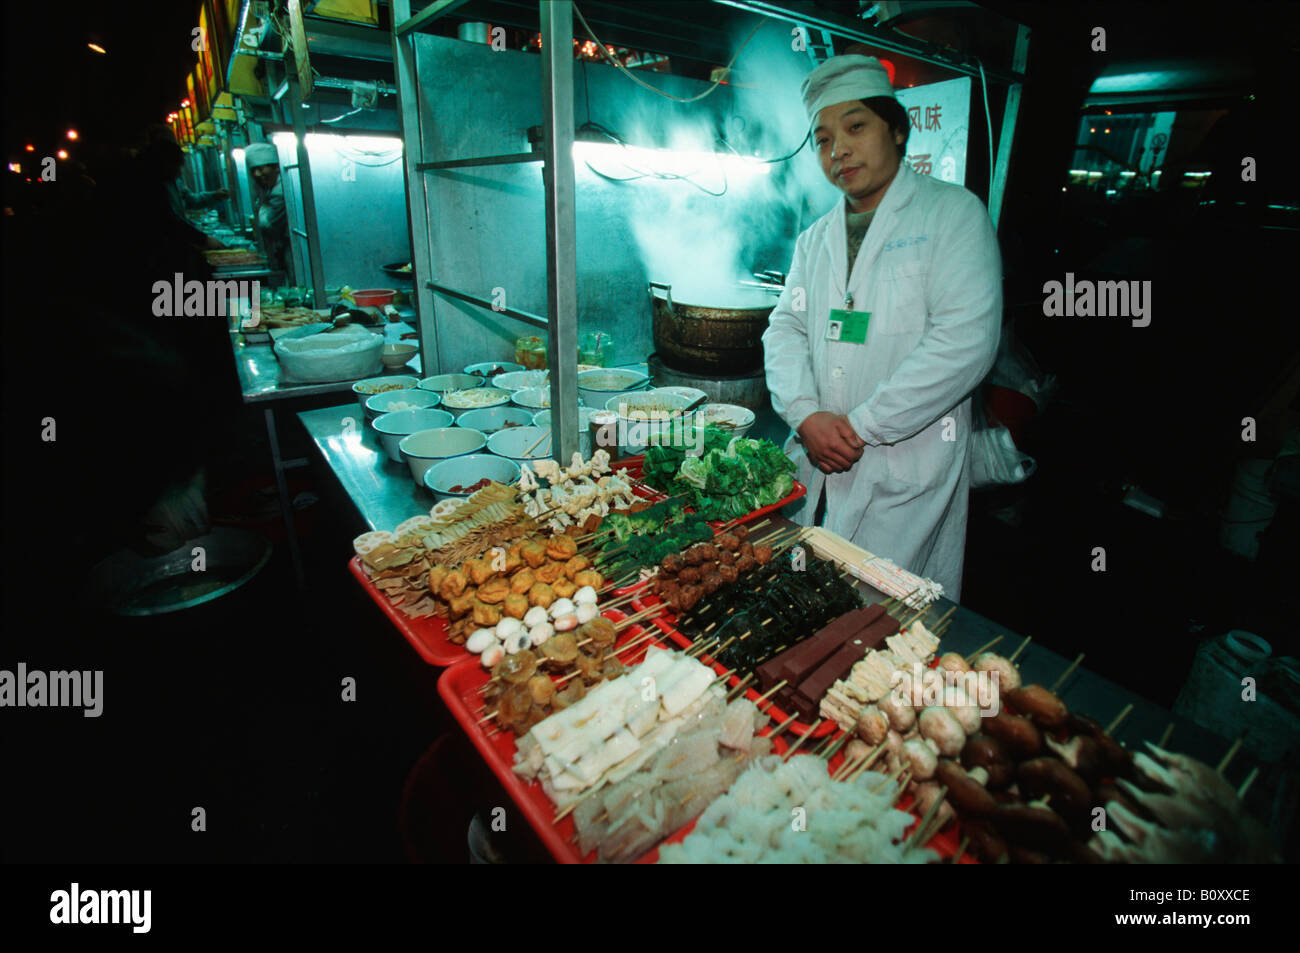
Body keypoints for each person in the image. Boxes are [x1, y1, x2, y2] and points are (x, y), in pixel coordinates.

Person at [763, 55, 1002, 599]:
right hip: (816, 461)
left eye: (855, 127)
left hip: (903, 463)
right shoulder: (815, 239)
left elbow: (965, 341)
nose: (838, 150)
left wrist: (862, 426)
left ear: (896, 129)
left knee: (886, 618)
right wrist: (806, 415)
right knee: (802, 613)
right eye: (822, 140)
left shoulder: (952, 215)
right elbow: (785, 329)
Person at [244, 141, 290, 278]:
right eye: (253, 170)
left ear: (276, 167)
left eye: (261, 168)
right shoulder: (270, 189)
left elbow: (269, 224)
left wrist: (263, 207)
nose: (257, 174)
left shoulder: (279, 191)